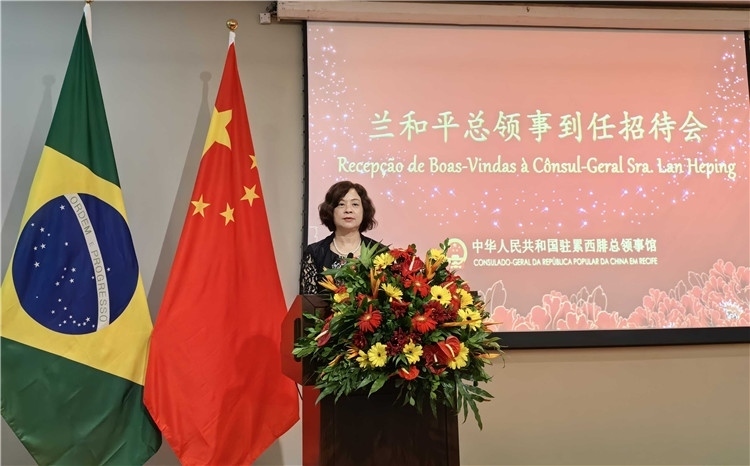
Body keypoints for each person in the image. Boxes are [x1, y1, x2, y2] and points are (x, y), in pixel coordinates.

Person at [300, 180, 381, 294]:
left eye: (355, 204)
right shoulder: (315, 253)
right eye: (341, 204)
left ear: (364, 211)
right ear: (331, 210)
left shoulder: (380, 254)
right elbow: (308, 301)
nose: (348, 210)